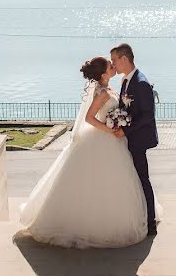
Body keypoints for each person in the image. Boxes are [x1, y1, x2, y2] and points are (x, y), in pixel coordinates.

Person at [19, 56, 149, 248]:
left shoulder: (110, 88)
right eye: (110, 65)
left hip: (112, 140)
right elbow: (89, 117)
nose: (114, 66)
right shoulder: (102, 93)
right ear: (104, 74)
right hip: (105, 137)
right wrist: (109, 129)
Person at [110, 43, 158, 236]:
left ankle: (151, 223)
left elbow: (148, 116)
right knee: (133, 180)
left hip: (138, 140)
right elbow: (126, 109)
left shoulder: (141, 83)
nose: (113, 64)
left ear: (124, 59)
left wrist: (126, 130)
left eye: (114, 60)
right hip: (128, 138)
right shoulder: (125, 81)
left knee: (142, 179)